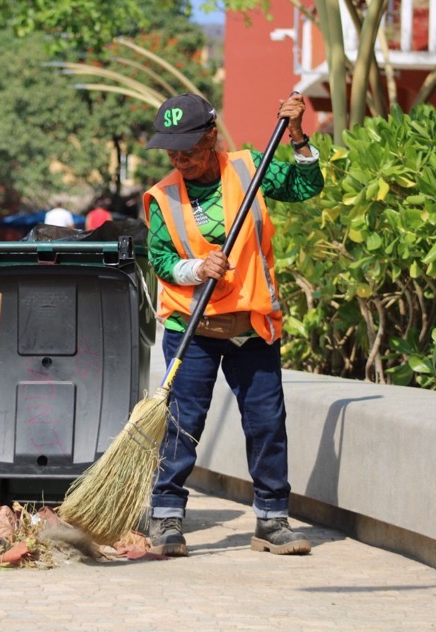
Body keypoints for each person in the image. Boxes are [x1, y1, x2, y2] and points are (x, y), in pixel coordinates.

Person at [143, 93, 324, 557]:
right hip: (193, 328)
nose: (179, 158)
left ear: (212, 137)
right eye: (171, 151)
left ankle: (271, 520)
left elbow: (306, 187)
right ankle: (165, 517)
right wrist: (196, 268)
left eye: (188, 147)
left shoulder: (250, 168)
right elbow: (161, 260)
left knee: (266, 423)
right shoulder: (163, 196)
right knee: (182, 425)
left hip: (251, 325)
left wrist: (298, 135)